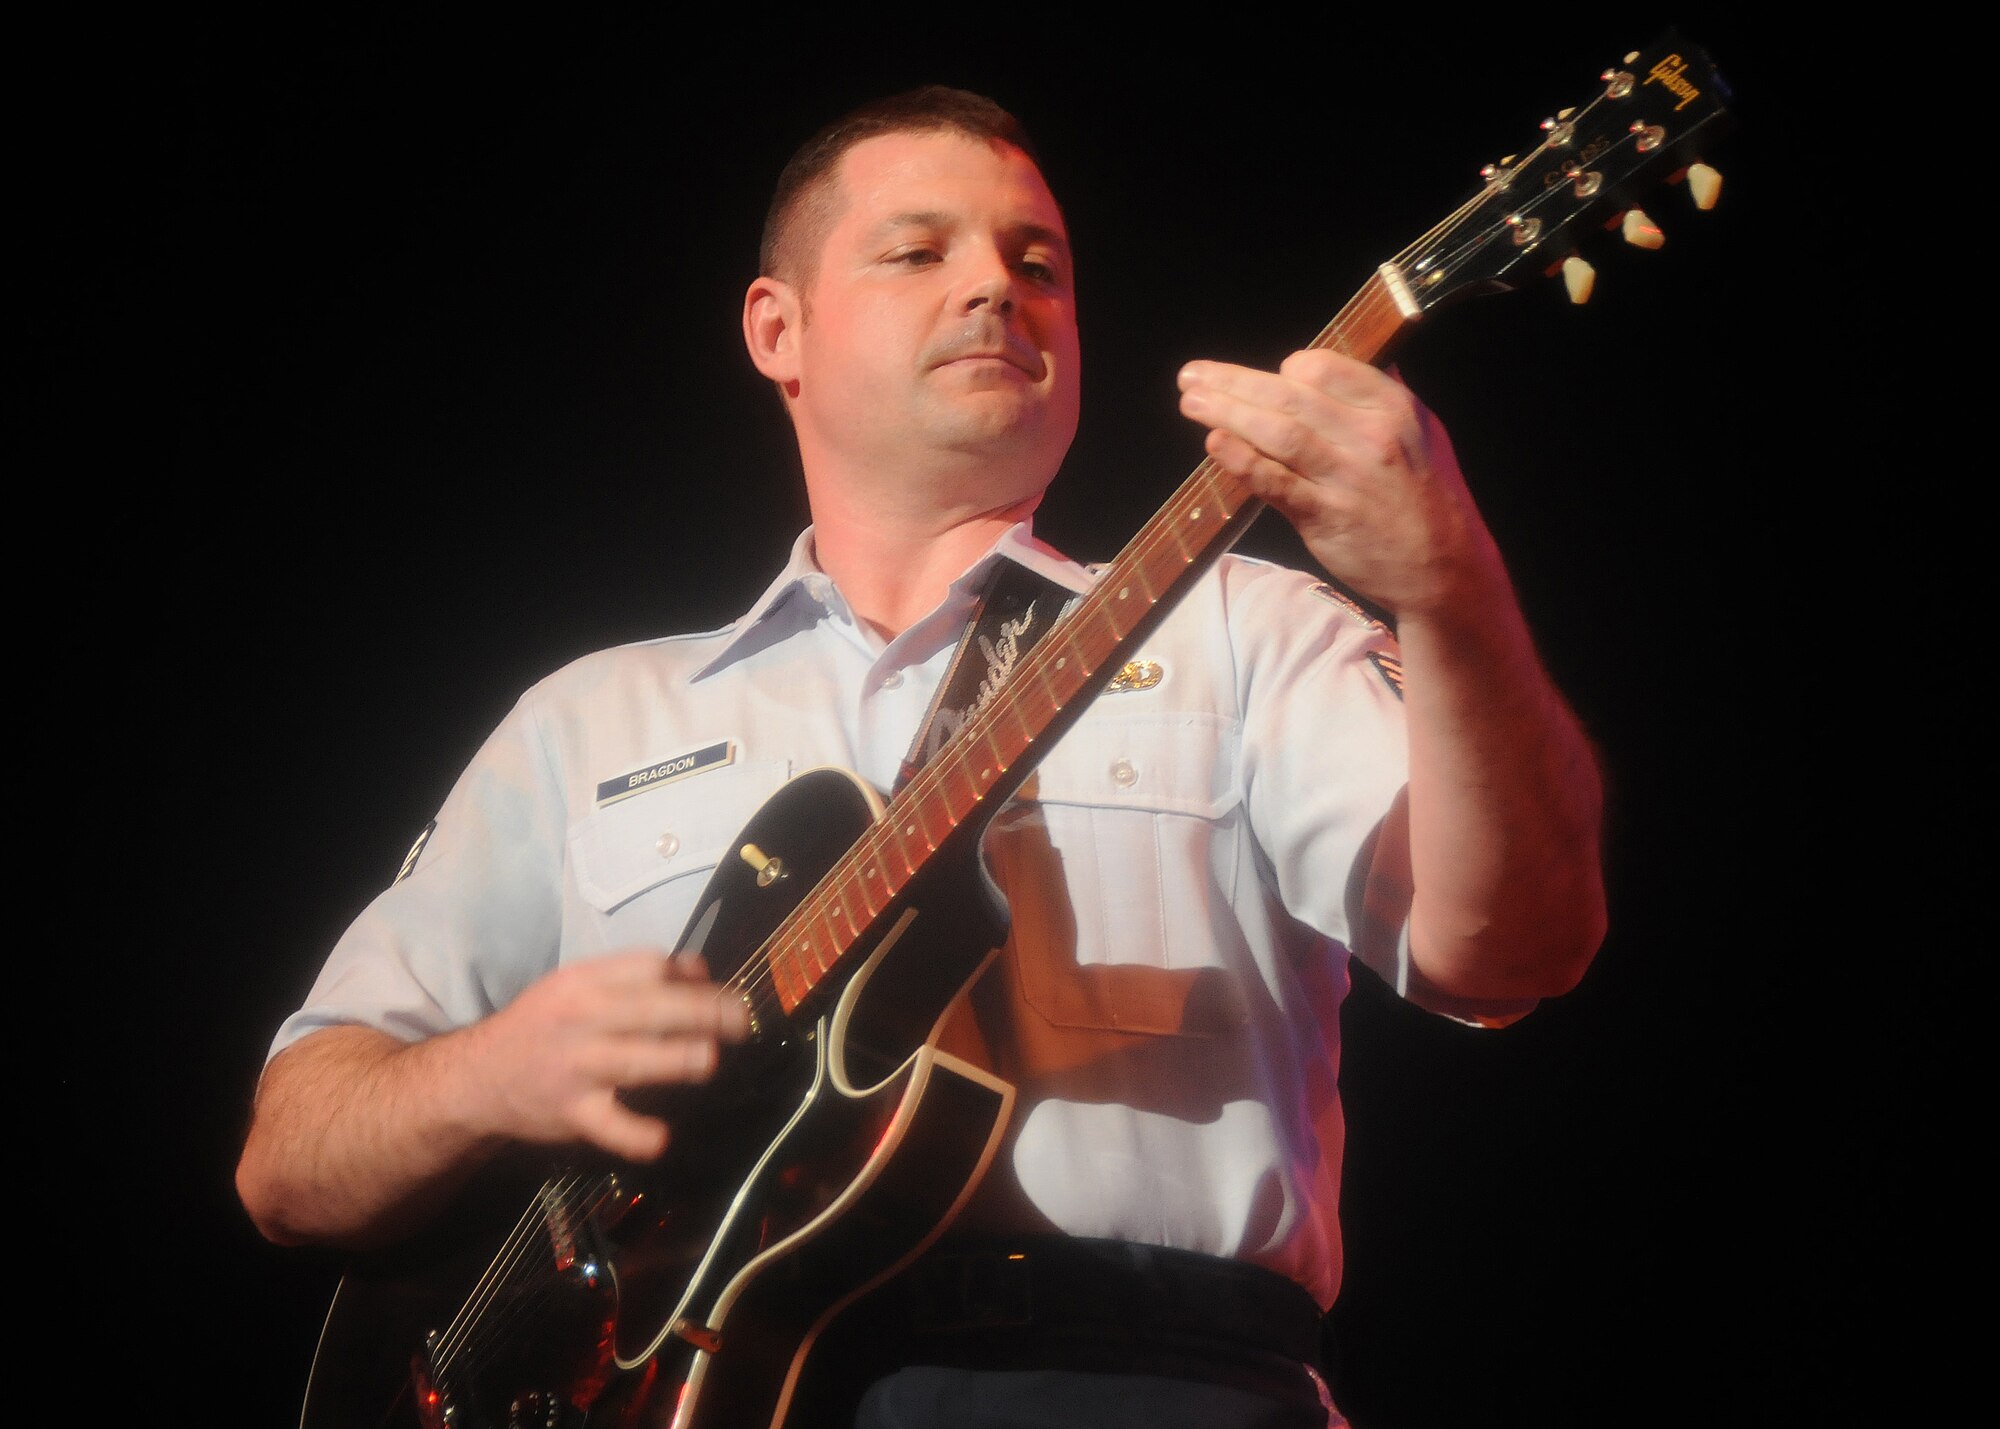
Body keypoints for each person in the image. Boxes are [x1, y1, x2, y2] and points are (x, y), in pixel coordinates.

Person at [236, 86, 1606, 1429]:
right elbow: (290, 1161)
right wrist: (491, 1071)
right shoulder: (588, 717)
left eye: (1038, 263)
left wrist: (1452, 585)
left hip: (1153, 1379)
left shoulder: (1243, 627)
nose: (995, 289)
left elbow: (1518, 944)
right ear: (778, 328)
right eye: (917, 250)